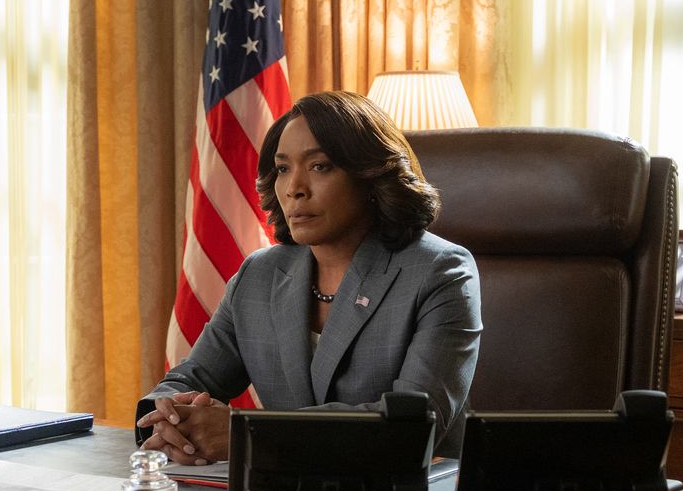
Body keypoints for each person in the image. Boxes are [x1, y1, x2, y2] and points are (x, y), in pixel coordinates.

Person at [136, 91, 481, 465]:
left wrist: (248, 435)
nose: (294, 188)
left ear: (370, 175)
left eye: (320, 166)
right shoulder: (260, 275)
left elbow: (413, 429)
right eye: (283, 168)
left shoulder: (440, 272)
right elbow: (189, 380)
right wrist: (169, 417)